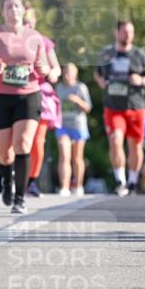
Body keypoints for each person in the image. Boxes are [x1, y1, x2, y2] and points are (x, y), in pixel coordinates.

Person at [0, 0, 50, 215]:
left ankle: (20, 198)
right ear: (3, 12)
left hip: (28, 95)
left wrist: (44, 69)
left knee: (24, 144)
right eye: (9, 6)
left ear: (23, 10)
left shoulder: (35, 36)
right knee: (3, 155)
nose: (14, 10)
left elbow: (41, 65)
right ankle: (7, 180)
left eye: (17, 6)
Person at [94, 20, 145, 196]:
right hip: (113, 108)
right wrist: (102, 83)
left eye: (131, 32)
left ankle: (132, 180)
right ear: (117, 33)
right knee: (115, 140)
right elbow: (97, 73)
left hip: (136, 107)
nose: (128, 35)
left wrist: (142, 80)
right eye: (125, 32)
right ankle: (120, 180)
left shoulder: (139, 55)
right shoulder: (107, 54)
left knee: (135, 147)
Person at [23, 3, 61, 197]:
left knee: (38, 142)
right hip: (17, 93)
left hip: (40, 94)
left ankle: (31, 181)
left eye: (30, 21)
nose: (27, 24)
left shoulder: (44, 41)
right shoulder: (11, 39)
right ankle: (14, 177)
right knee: (19, 140)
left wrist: (51, 72)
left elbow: (56, 68)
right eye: (24, 21)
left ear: (35, 21)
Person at [55, 62, 92, 196]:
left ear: (75, 74)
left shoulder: (80, 88)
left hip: (78, 126)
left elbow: (88, 108)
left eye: (69, 72)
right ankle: (64, 187)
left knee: (77, 158)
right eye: (64, 72)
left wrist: (77, 101)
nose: (66, 75)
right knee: (64, 155)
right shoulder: (59, 88)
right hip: (63, 126)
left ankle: (78, 185)